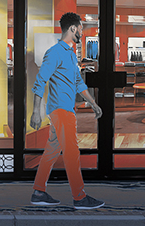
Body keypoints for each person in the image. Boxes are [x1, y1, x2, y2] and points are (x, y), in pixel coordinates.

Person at [30, 12, 105, 209]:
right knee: (72, 151)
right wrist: (35, 111)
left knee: (52, 150)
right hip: (60, 110)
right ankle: (79, 197)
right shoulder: (54, 52)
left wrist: (93, 103)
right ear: (72, 29)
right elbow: (40, 82)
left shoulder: (71, 55)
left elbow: (78, 83)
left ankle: (38, 191)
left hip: (65, 109)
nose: (82, 30)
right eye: (80, 27)